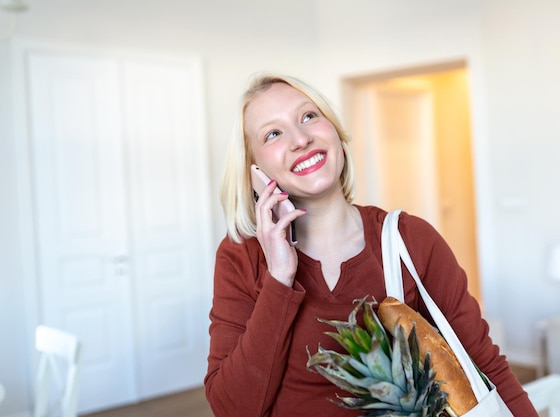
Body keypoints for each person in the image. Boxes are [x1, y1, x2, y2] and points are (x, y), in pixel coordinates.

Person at [204, 73, 538, 417]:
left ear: (334, 131)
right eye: (273, 133)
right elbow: (233, 408)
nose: (300, 139)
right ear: (255, 170)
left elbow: (484, 366)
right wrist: (279, 280)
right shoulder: (240, 257)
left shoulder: (411, 240)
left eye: (308, 116)